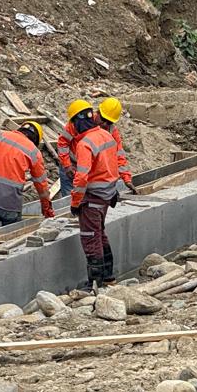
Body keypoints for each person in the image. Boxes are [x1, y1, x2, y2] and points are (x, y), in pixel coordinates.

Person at [70, 108, 122, 288]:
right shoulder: (106, 136)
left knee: (90, 237)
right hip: (107, 195)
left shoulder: (85, 144)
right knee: (99, 233)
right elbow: (113, 165)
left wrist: (75, 202)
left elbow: (82, 177)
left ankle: (95, 282)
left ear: (77, 123)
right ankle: (108, 276)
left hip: (92, 197)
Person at [96, 97, 136, 193]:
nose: (105, 123)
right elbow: (63, 142)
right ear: (98, 112)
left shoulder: (112, 132)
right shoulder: (82, 122)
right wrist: (67, 165)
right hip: (72, 168)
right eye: (103, 119)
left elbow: (119, 156)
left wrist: (126, 179)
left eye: (109, 122)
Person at [56, 99, 94, 198]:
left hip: (86, 164)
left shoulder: (96, 123)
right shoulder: (71, 126)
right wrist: (67, 165)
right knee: (69, 197)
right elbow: (62, 144)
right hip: (71, 163)